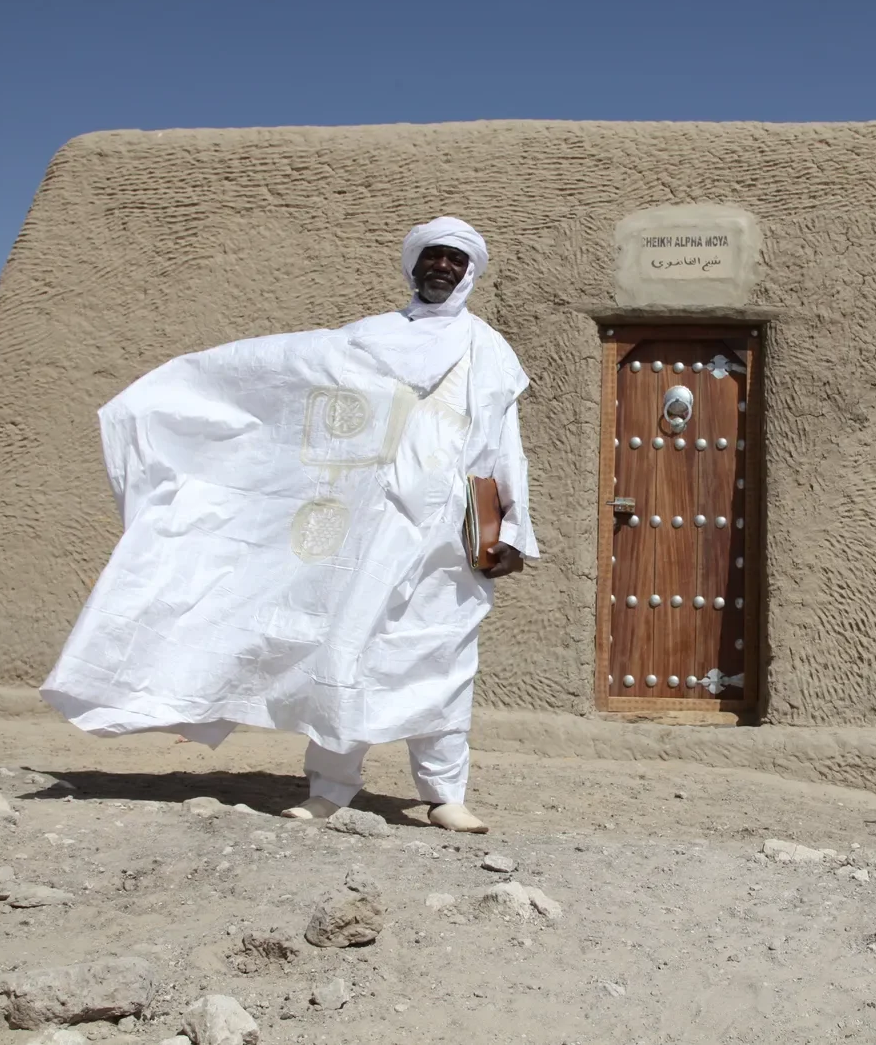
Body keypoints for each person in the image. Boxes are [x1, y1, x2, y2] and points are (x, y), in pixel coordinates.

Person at [40, 217, 535, 835]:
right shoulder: (359, 341)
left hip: (444, 533)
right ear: (413, 266)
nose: (442, 267)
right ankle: (331, 789)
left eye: (455, 261)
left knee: (442, 657)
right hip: (364, 530)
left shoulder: (488, 349)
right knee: (345, 651)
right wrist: (186, 389)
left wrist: (514, 529)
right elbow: (277, 376)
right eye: (432, 257)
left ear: (470, 274)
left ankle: (444, 794)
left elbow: (504, 445)